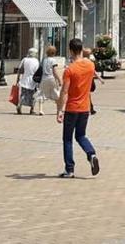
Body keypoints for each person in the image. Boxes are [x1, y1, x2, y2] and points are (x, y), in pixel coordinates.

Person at [56, 38, 100, 178]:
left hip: (72, 108)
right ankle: (91, 154)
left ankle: (70, 169)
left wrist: (60, 110)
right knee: (81, 135)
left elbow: (64, 91)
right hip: (85, 107)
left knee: (67, 139)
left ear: (70, 51)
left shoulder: (70, 70)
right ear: (81, 49)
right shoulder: (90, 65)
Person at [38, 44, 63, 114]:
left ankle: (40, 110)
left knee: (41, 93)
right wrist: (59, 80)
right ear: (54, 52)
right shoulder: (53, 60)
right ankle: (59, 110)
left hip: (44, 78)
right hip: (51, 78)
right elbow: (55, 71)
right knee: (55, 93)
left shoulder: (44, 60)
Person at [16, 47, 41, 115]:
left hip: (25, 78)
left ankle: (20, 105)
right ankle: (32, 109)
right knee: (33, 95)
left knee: (23, 94)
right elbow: (38, 71)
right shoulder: (36, 61)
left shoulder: (25, 59)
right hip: (33, 80)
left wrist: (18, 79)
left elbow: (20, 70)